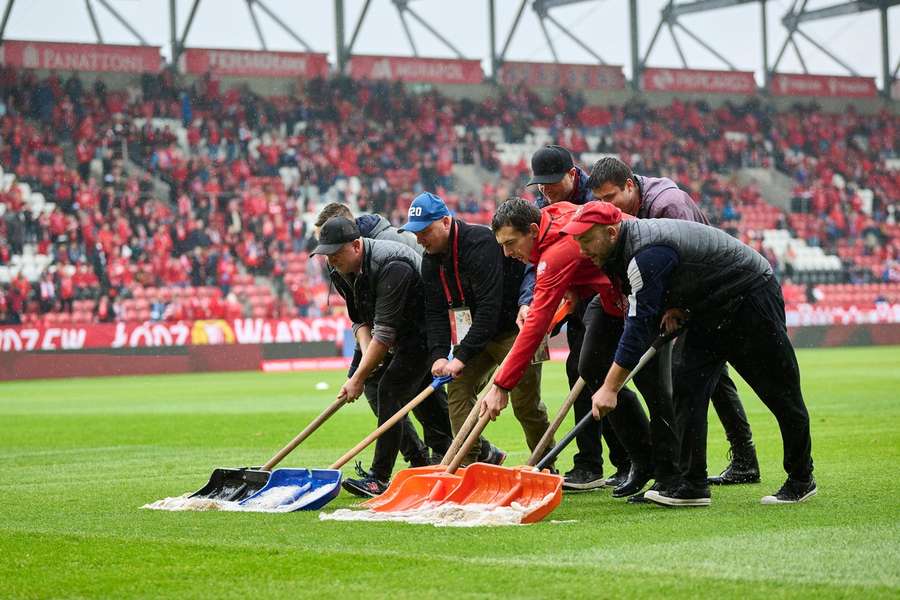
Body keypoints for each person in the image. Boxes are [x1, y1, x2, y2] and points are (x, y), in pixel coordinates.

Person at [565, 202, 816, 506]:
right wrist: (676, 304)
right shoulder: (618, 250)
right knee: (687, 389)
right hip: (706, 309)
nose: (582, 250)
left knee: (780, 393)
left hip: (749, 296)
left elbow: (638, 327)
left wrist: (610, 387)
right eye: (578, 241)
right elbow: (681, 272)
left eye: (586, 240)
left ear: (610, 232)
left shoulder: (644, 254)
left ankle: (801, 479)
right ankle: (692, 484)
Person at [586, 156, 760, 485]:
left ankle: (734, 459)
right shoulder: (623, 214)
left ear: (629, 186)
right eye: (599, 200)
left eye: (610, 198)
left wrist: (675, 308)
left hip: (707, 291)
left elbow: (686, 263)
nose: (606, 206)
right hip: (670, 295)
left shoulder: (669, 205)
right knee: (708, 376)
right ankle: (739, 460)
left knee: (704, 375)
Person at [400, 192, 551, 467]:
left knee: (525, 404)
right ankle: (466, 464)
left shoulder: (480, 243)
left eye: (425, 231)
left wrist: (460, 356)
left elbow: (489, 308)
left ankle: (545, 462)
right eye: (415, 233)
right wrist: (438, 355)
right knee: (458, 388)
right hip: (478, 335)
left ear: (445, 222)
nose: (419, 239)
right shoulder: (430, 259)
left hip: (515, 330)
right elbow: (435, 312)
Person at [312, 217, 453, 497]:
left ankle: (379, 477)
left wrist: (359, 377)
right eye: (326, 254)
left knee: (390, 390)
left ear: (355, 245)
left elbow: (384, 334)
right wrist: (365, 362)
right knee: (423, 400)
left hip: (424, 332)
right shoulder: (339, 268)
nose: (331, 260)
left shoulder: (392, 265)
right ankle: (466, 454)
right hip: (394, 334)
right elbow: (361, 323)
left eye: (336, 253)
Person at [526, 145, 629, 490]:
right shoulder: (544, 206)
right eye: (540, 186)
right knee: (580, 371)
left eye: (552, 183)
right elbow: (542, 258)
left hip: (609, 295)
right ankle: (592, 463)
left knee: (596, 373)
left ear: (572, 175)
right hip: (580, 299)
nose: (546, 191)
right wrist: (533, 299)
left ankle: (622, 460)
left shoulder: (595, 198)